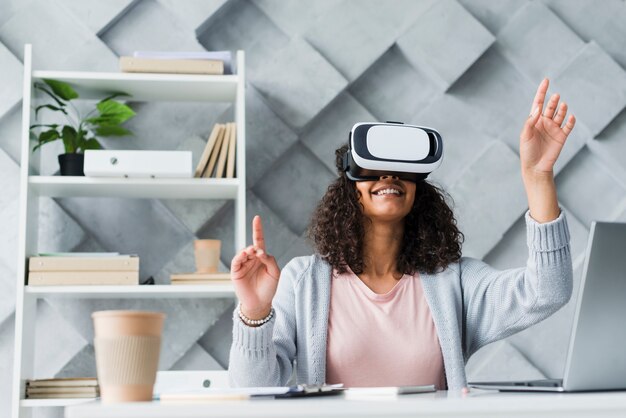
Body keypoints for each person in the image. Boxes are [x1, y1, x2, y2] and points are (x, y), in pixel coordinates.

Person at [228, 79, 576, 390]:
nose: (389, 177)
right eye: (373, 169)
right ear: (352, 188)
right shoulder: (303, 281)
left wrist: (537, 175)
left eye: (402, 171)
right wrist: (255, 312)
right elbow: (250, 388)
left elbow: (547, 290)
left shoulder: (454, 283)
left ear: (417, 189)